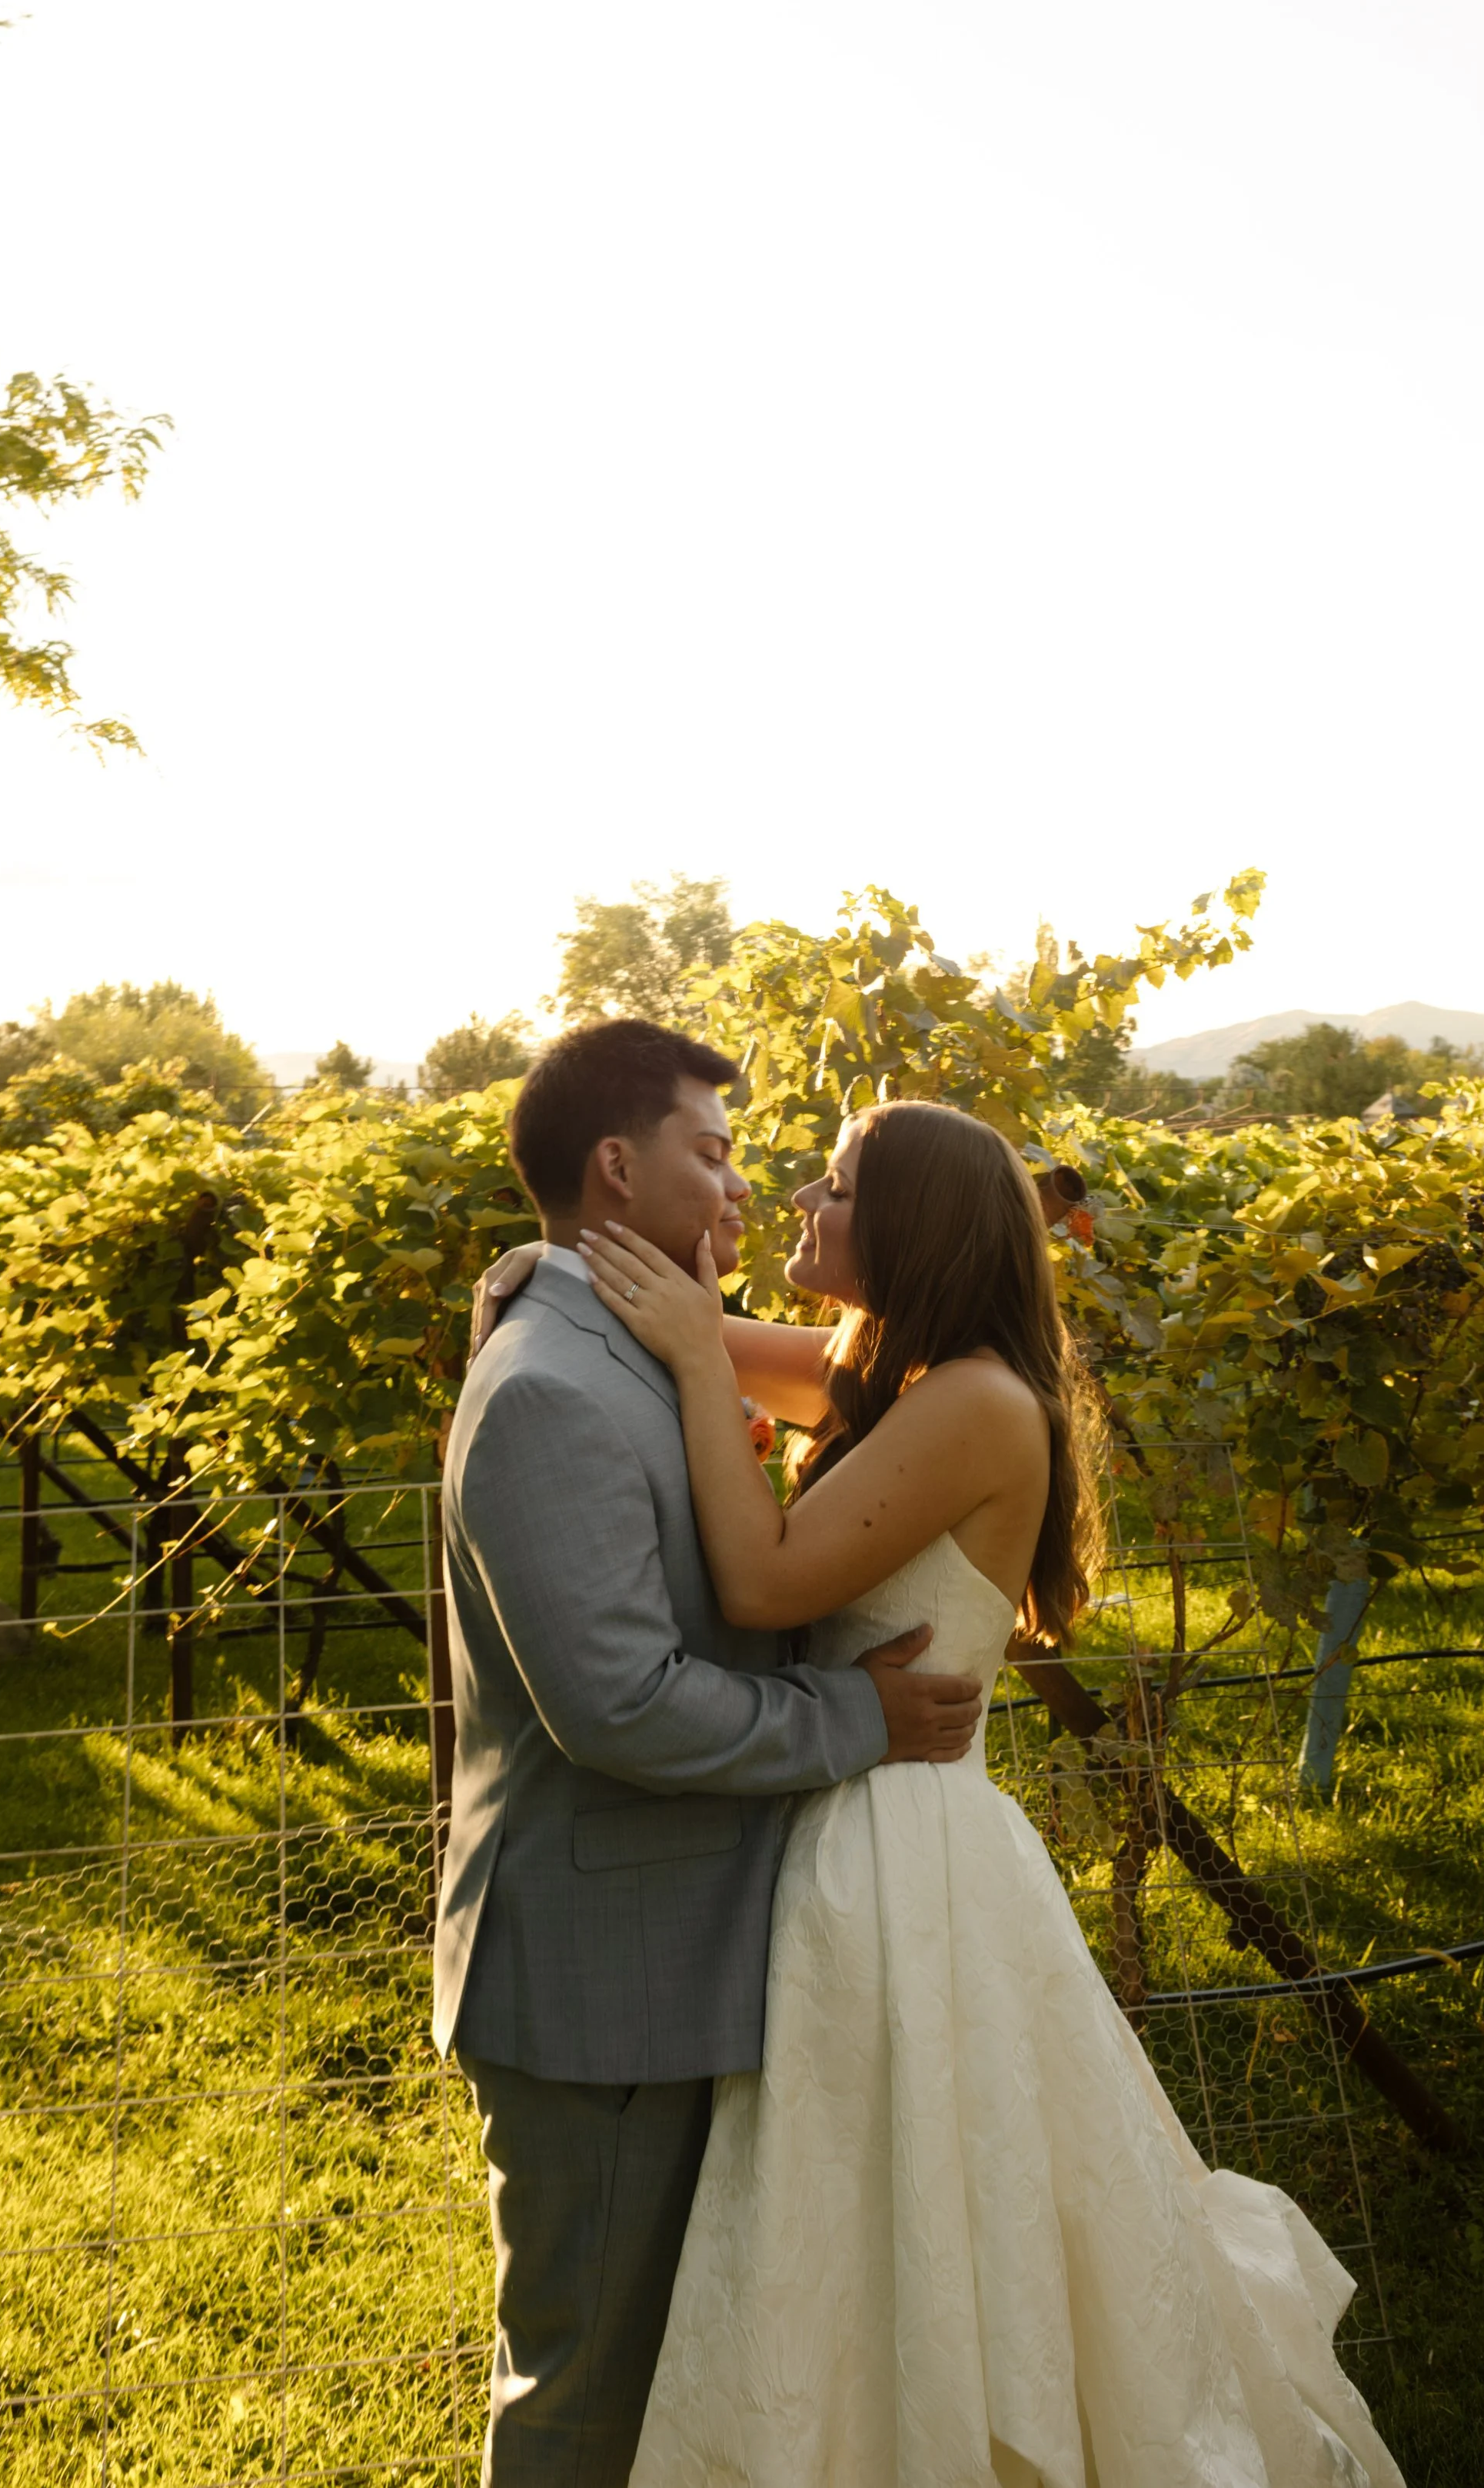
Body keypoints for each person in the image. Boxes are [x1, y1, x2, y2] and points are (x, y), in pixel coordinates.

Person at [557, 1097, 1406, 2488]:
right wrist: (552, 1269)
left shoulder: (974, 1402)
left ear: (911, 1229)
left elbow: (765, 1576)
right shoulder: (893, 1372)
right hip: (871, 1815)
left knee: (919, 2185)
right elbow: (708, 1335)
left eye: (834, 1190)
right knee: (884, 2197)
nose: (803, 1209)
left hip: (901, 1849)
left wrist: (699, 1371)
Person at [435, 1021, 987, 2488]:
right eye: (716, 1151)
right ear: (618, 1168)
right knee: (587, 2392)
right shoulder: (555, 1388)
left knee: (697, 2371)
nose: (746, 1187)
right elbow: (620, 1703)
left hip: (702, 1942)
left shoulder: (639, 1347)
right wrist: (856, 1719)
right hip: (604, 1977)